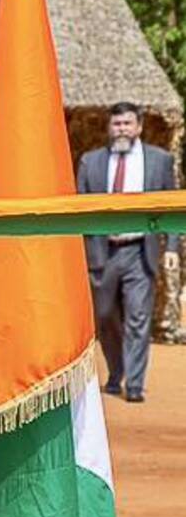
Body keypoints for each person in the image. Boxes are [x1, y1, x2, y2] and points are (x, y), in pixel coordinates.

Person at [77, 101, 180, 402]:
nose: (121, 129)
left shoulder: (159, 161)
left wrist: (171, 245)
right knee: (106, 316)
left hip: (139, 250)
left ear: (139, 127)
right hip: (102, 250)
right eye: (116, 124)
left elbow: (172, 205)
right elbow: (78, 209)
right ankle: (116, 370)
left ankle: (134, 383)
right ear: (109, 128)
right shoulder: (90, 162)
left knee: (138, 316)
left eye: (127, 124)